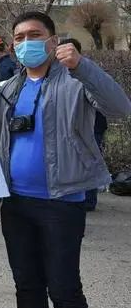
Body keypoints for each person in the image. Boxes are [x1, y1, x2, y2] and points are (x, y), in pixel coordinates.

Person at [0, 12, 131, 308]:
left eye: (35, 35)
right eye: (19, 37)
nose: (26, 43)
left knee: (65, 290)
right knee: (27, 286)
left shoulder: (74, 80)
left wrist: (83, 66)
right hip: (16, 203)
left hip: (62, 203)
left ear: (54, 41)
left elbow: (121, 108)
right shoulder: (9, 88)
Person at [57, 38, 108, 212]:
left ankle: (89, 201)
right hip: (85, 125)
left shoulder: (85, 71)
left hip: (93, 125)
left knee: (89, 160)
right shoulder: (64, 73)